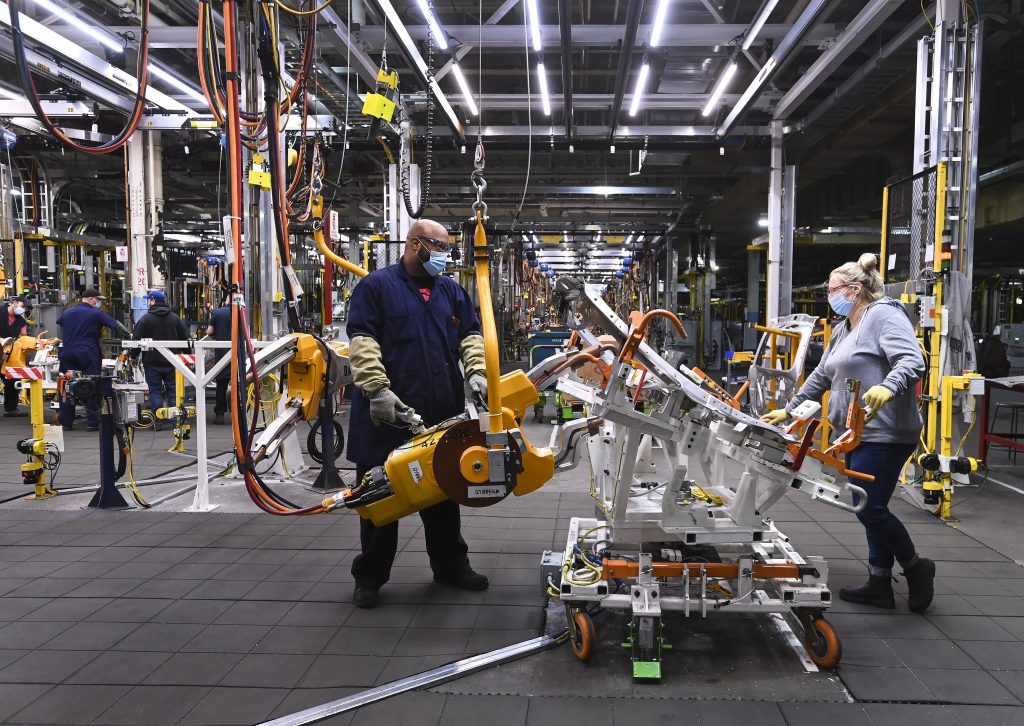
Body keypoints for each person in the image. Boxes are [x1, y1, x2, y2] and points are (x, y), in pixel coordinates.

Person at [761, 253, 935, 613]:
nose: (829, 296)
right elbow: (822, 374)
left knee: (869, 508)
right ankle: (879, 582)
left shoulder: (884, 316)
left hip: (885, 431)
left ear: (855, 290)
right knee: (871, 504)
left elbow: (912, 360)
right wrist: (790, 409)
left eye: (833, 290)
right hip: (854, 431)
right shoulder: (845, 328)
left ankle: (916, 567)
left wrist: (888, 387)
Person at [346, 219, 490, 609]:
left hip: (440, 412)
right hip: (388, 413)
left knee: (444, 494)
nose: (445, 255)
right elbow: (362, 340)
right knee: (380, 499)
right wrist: (377, 390)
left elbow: (470, 336)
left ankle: (451, 567)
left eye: (448, 248)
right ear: (414, 244)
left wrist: (477, 372)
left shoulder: (451, 291)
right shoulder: (377, 287)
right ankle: (370, 577)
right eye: (438, 247)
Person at [56, 289, 128, 431]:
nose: (98, 302)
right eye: (97, 299)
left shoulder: (68, 312)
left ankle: (66, 422)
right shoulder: (95, 313)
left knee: (66, 385)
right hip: (88, 353)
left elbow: (61, 323)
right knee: (90, 384)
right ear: (90, 298)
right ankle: (92, 422)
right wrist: (130, 337)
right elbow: (116, 326)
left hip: (67, 352)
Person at [133, 290, 189, 423]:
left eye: (149, 300)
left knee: (155, 391)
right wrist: (187, 356)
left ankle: (157, 420)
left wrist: (133, 356)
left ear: (153, 301)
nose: (148, 302)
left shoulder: (145, 319)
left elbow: (136, 339)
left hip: (152, 362)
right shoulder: (175, 318)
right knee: (173, 391)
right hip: (173, 362)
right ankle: (175, 420)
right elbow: (185, 338)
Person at [0, 296, 31, 417]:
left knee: (12, 381)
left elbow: (24, 336)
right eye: (23, 306)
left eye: (26, 308)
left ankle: (11, 408)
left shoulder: (21, 321)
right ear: (14, 302)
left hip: (9, 356)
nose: (23, 309)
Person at [206, 299, 232, 425]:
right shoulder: (242, 312)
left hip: (222, 353)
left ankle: (220, 414)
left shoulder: (218, 312)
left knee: (221, 384)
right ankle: (239, 412)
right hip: (238, 354)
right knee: (239, 383)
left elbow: (209, 332)